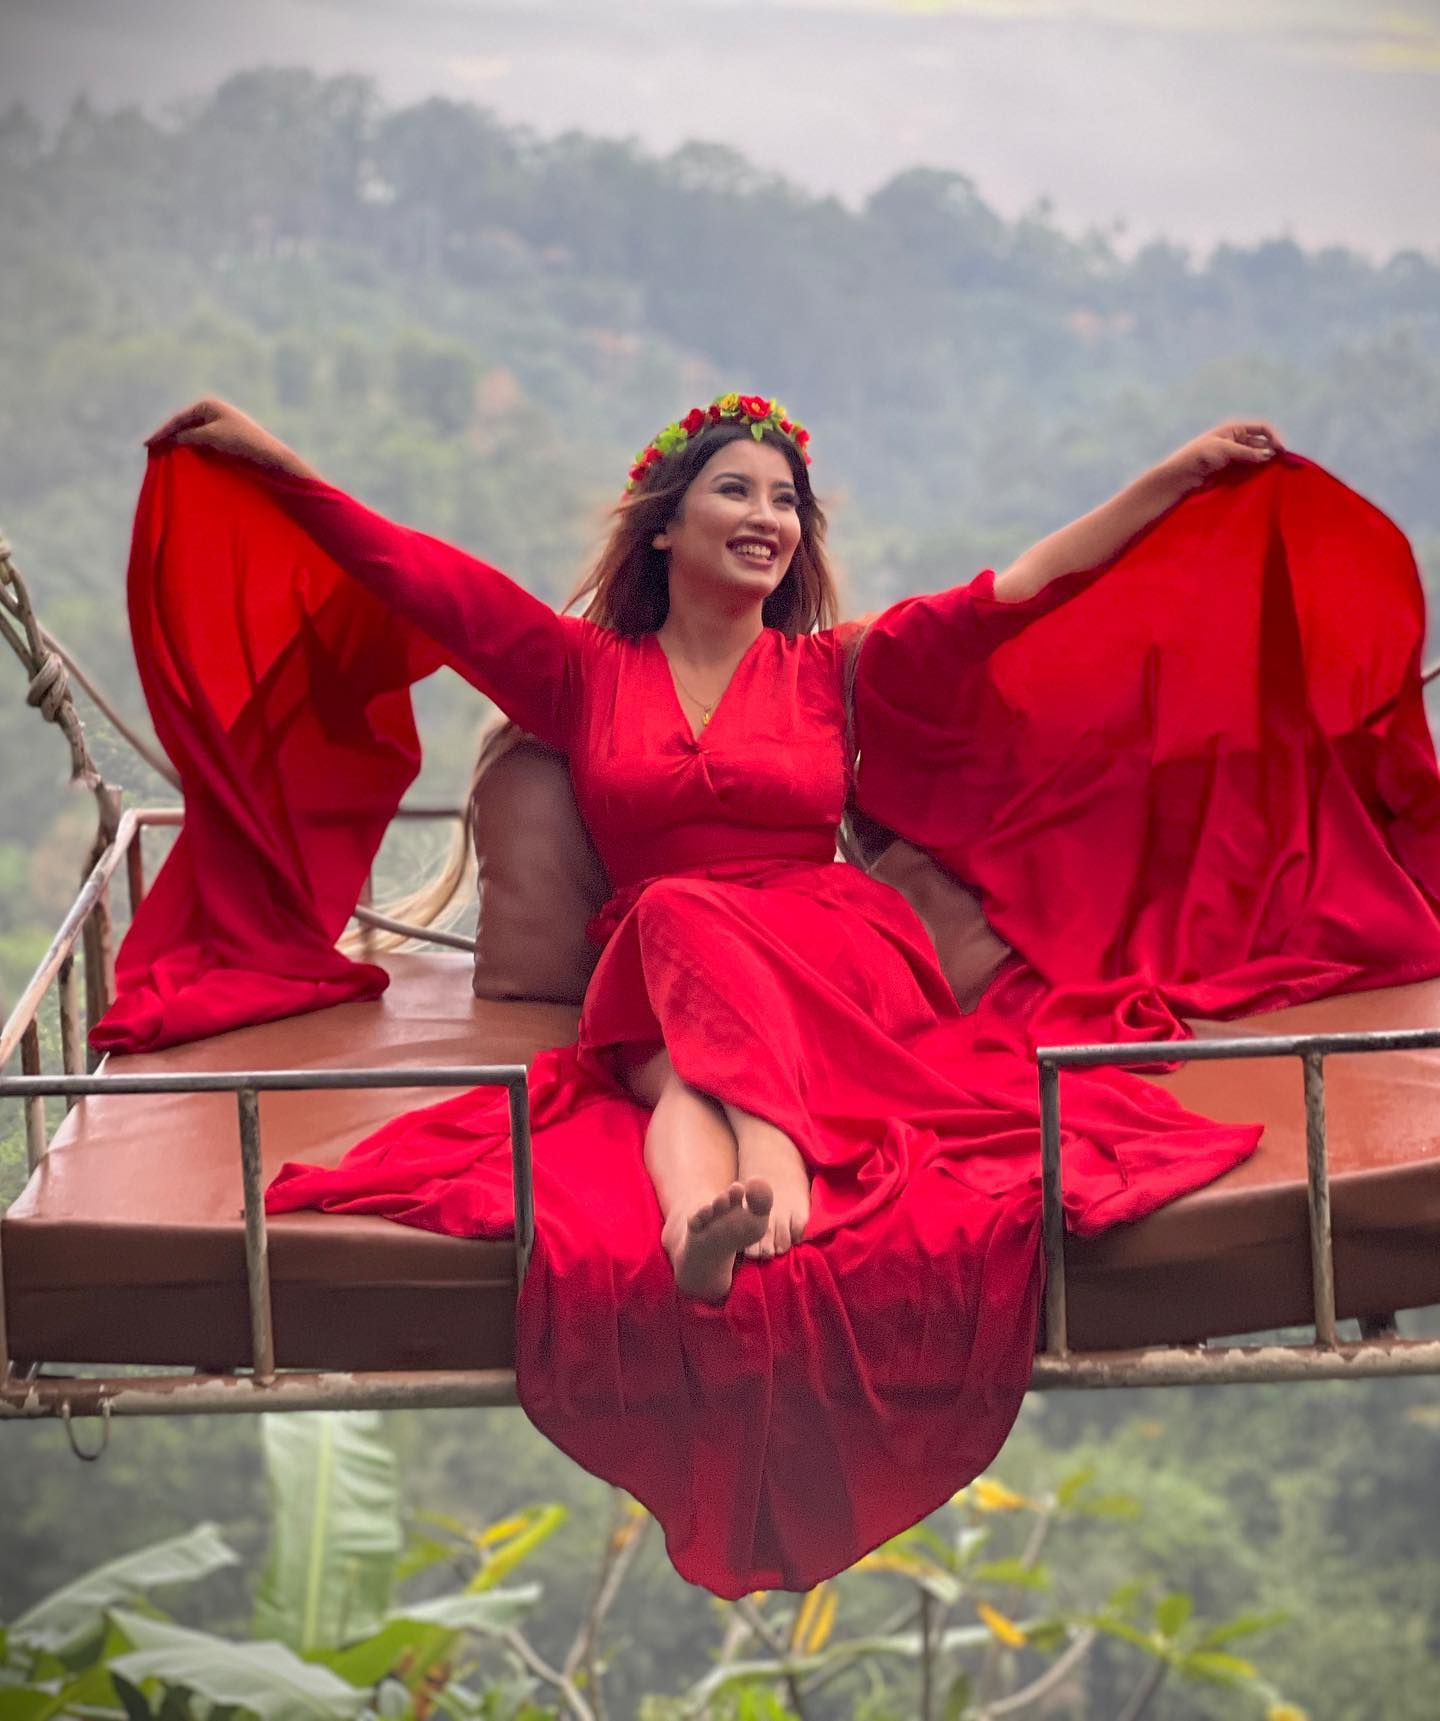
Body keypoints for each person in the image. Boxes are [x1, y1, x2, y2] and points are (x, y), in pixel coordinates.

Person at [111, 391, 1440, 1594]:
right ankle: (723, 1222)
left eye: (786, 500)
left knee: (685, 974)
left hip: (831, 961)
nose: (768, 517)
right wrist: (266, 460)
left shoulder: (835, 669)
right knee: (675, 980)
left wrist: (1178, 473)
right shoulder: (581, 672)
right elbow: (420, 577)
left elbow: (1021, 593)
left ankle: (747, 1184)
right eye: (737, 491)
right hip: (660, 968)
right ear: (663, 525)